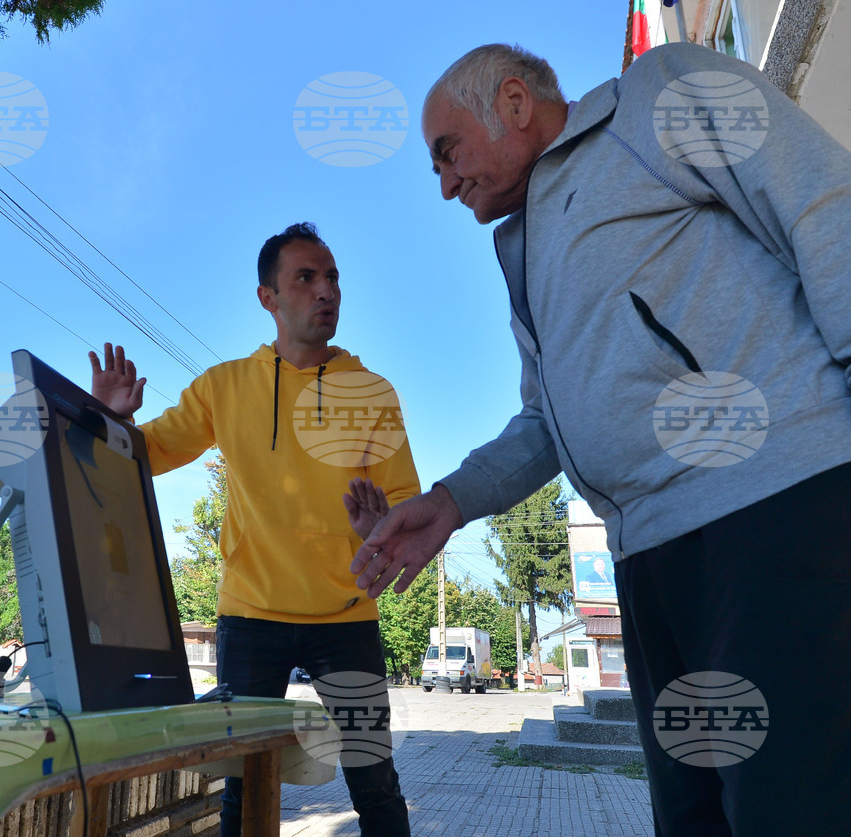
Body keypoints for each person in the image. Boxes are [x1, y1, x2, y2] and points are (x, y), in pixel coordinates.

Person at [350, 41, 851, 836]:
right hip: (649, 557)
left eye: (446, 154)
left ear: (513, 102)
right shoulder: (522, 248)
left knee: (794, 804)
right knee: (695, 815)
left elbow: (820, 203)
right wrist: (448, 503)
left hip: (773, 509)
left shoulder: (656, 92)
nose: (445, 186)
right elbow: (545, 421)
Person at [91, 222, 418, 836]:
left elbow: (405, 501)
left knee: (375, 785)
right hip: (250, 615)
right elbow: (147, 454)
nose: (327, 291)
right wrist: (109, 419)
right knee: (239, 791)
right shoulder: (225, 387)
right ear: (268, 297)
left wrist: (385, 526)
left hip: (346, 616)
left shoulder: (372, 393)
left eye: (333, 278)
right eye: (306, 278)